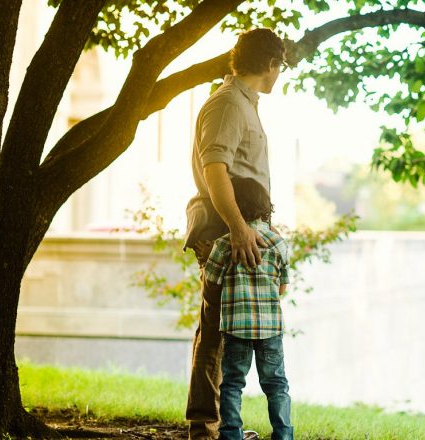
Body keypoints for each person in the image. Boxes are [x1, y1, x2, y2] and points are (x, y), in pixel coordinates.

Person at [183, 28, 286, 440]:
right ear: (270, 64)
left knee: (225, 330)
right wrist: (239, 229)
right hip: (224, 230)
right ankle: (205, 429)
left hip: (242, 227)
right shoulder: (227, 104)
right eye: (280, 66)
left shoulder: (245, 105)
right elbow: (215, 170)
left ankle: (218, 426)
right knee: (216, 332)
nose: (280, 74)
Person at [203, 177, 292, 440]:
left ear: (234, 207)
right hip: (270, 329)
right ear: (266, 208)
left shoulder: (224, 244)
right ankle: (283, 434)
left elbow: (211, 284)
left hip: (235, 328)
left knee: (232, 384)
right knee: (276, 384)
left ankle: (231, 434)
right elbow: (282, 288)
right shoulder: (278, 243)